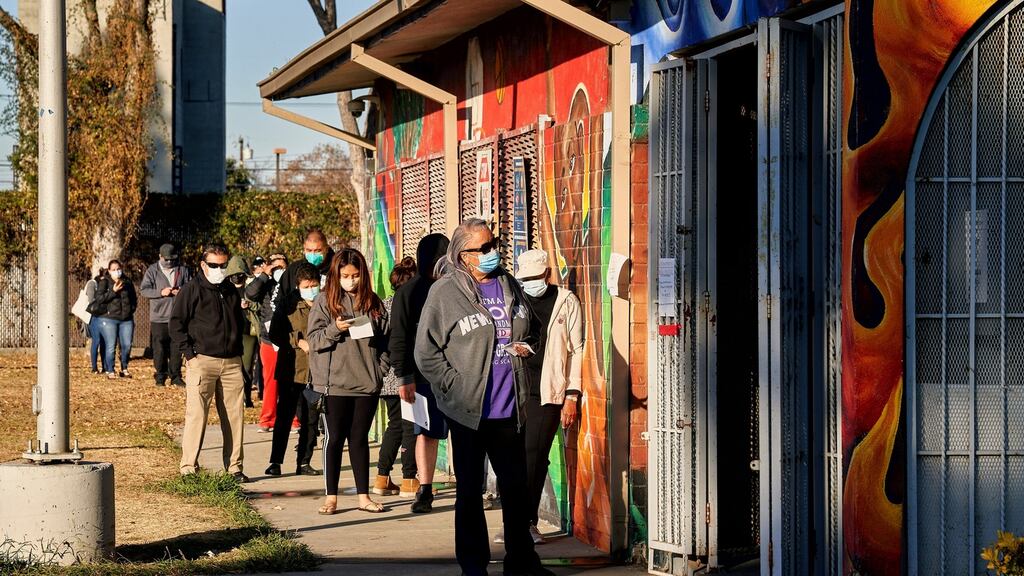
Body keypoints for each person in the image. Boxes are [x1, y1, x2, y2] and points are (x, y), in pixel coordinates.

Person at [414, 219, 549, 576]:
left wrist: (527, 346)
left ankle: (522, 563)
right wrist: (454, 386)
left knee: (515, 491)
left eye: (494, 245)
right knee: (470, 493)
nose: (493, 253)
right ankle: (473, 566)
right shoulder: (445, 294)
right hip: (469, 412)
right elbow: (425, 352)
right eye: (484, 248)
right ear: (464, 256)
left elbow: (531, 326)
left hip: (510, 408)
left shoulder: (507, 283)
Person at [306, 248, 387, 515]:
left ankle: (364, 496)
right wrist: (334, 329)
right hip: (333, 386)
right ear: (336, 275)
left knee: (359, 440)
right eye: (344, 275)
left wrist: (380, 370)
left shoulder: (374, 303)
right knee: (334, 439)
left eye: (355, 275)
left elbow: (387, 341)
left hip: (366, 384)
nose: (350, 280)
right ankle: (331, 497)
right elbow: (314, 340)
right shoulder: (324, 301)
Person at [514, 249, 583, 545]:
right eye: (524, 278)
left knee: (535, 454)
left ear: (547, 274)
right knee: (517, 457)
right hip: (515, 387)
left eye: (534, 277)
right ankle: (515, 520)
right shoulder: (514, 300)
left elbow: (577, 349)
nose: (529, 282)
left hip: (549, 390)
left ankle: (526, 522)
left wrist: (572, 394)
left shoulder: (566, 301)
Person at [170, 242, 249, 483]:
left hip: (232, 362)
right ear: (203, 265)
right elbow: (176, 325)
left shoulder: (230, 291)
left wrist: (238, 354)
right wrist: (191, 356)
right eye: (214, 265)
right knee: (197, 415)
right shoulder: (191, 290)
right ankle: (188, 467)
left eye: (223, 265)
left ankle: (234, 467)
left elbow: (239, 322)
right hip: (202, 361)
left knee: (235, 416)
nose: (219, 269)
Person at [264, 262, 322, 477]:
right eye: (306, 286)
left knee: (310, 419)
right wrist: (298, 341)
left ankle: (304, 462)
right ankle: (275, 461)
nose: (311, 289)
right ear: (298, 286)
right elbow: (275, 334)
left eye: (314, 285)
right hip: (291, 368)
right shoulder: (288, 305)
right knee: (285, 417)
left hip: (316, 371)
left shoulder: (324, 303)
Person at [372, 257, 418, 497]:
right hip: (406, 375)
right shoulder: (413, 303)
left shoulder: (384, 305)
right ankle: (410, 479)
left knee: (394, 426)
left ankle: (381, 478)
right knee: (410, 427)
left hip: (387, 377)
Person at [245, 253, 289, 433]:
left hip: (289, 339)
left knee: (290, 381)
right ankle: (268, 419)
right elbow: (250, 294)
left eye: (282, 266)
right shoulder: (264, 284)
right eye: (275, 267)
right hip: (268, 339)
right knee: (270, 380)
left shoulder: (291, 283)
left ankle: (292, 418)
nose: (279, 270)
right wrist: (265, 275)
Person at [140, 243, 191, 387]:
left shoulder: (183, 270)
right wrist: (160, 292)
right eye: (166, 259)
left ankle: (176, 376)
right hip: (159, 317)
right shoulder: (152, 270)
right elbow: (144, 290)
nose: (169, 262)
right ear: (160, 257)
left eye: (172, 259)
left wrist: (181, 291)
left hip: (177, 316)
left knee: (176, 348)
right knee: (159, 349)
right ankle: (160, 376)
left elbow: (190, 287)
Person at [93, 259, 138, 379]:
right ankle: (110, 369)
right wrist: (113, 291)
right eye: (113, 270)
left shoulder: (127, 281)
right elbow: (99, 299)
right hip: (109, 318)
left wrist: (131, 310)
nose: (116, 272)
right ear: (109, 271)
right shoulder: (105, 282)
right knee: (110, 345)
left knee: (127, 345)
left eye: (118, 269)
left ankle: (124, 367)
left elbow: (134, 298)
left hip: (126, 319)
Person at [274, 228, 334, 310]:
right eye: (309, 250)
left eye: (317, 251)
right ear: (304, 248)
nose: (313, 254)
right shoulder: (293, 269)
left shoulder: (336, 268)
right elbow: (277, 300)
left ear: (326, 249)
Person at [85, 268, 107, 374]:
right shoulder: (92, 284)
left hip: (103, 316)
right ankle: (94, 367)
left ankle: (104, 366)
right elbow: (91, 301)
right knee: (96, 340)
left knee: (104, 341)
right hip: (94, 316)